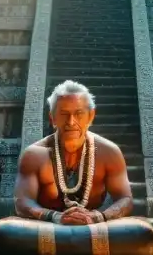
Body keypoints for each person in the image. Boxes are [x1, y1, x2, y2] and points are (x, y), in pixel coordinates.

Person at [13, 80, 133, 225]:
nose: (71, 122)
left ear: (91, 116)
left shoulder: (109, 153)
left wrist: (99, 217)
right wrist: (55, 216)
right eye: (64, 114)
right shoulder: (34, 155)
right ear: (53, 118)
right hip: (47, 225)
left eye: (79, 114)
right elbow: (22, 202)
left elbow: (125, 199)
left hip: (92, 225)